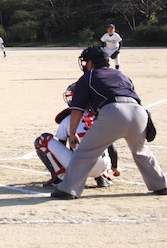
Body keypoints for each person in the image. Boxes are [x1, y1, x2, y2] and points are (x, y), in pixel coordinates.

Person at [51, 46, 167, 199]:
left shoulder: (88, 77)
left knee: (85, 153)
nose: (86, 65)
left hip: (114, 112)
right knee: (141, 151)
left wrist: (72, 133)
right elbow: (135, 99)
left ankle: (68, 190)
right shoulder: (122, 75)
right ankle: (161, 185)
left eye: (87, 62)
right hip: (139, 112)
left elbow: (77, 109)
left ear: (91, 62)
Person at [34, 83, 118, 188]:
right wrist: (115, 167)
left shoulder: (68, 119)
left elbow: (61, 146)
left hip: (81, 168)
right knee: (103, 141)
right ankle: (102, 176)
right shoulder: (100, 116)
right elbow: (112, 148)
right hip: (102, 166)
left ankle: (60, 177)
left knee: (42, 140)